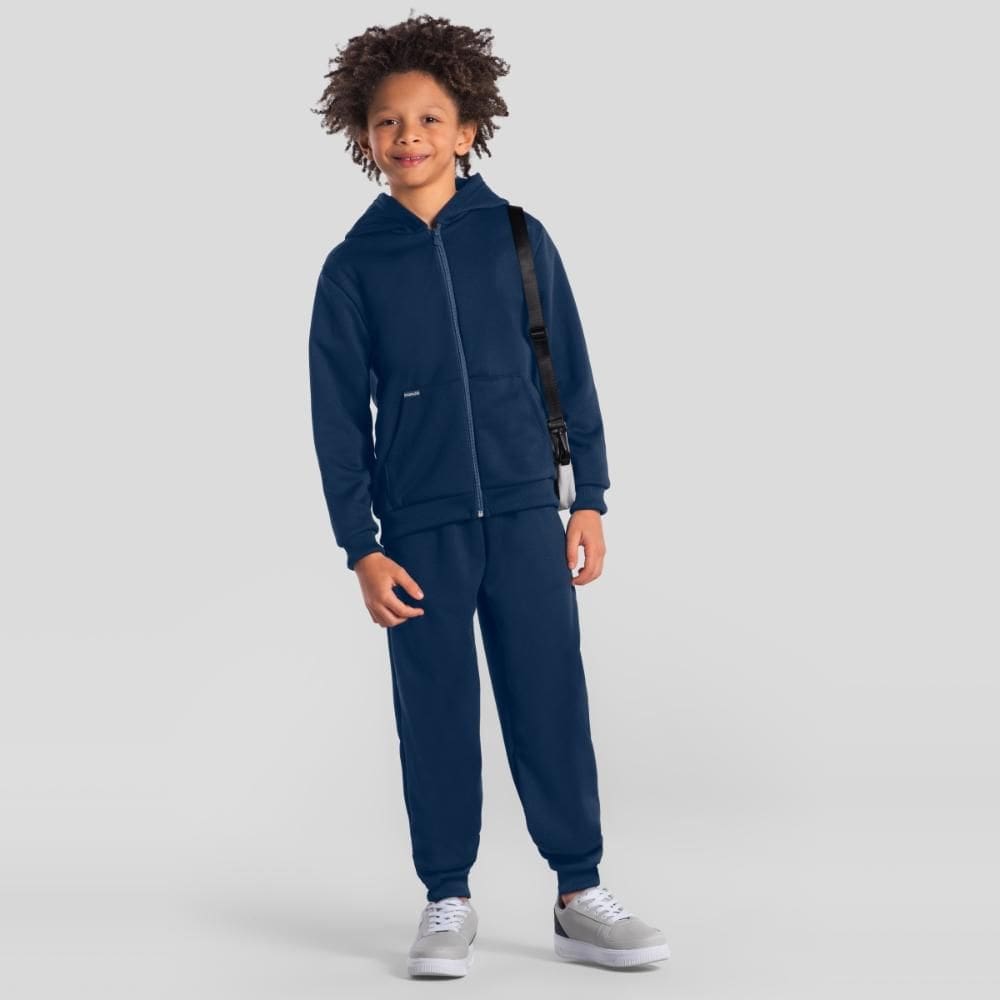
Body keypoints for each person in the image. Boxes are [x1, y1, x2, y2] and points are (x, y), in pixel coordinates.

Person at [308, 14, 669, 977]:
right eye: (389, 122)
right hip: (418, 529)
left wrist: (588, 497)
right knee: (433, 712)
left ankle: (579, 891)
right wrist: (361, 545)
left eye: (430, 118)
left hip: (523, 512)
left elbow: (569, 371)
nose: (410, 136)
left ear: (468, 129)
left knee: (550, 698)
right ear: (364, 137)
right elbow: (337, 421)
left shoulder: (517, 237)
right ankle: (447, 896)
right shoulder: (353, 267)